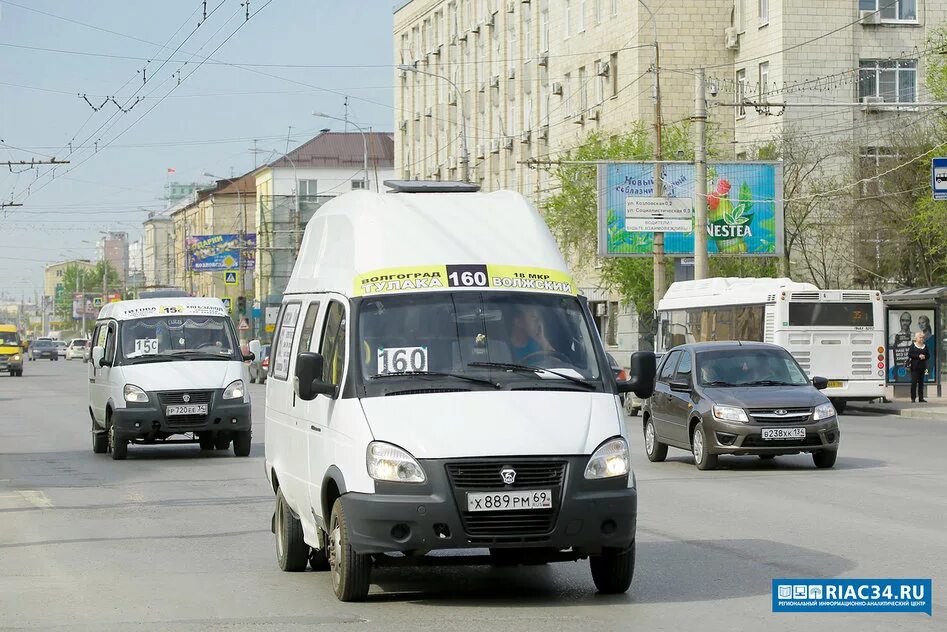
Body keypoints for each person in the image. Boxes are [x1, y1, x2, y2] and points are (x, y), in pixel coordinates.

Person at [907, 331, 930, 403]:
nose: (921, 339)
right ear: (916, 338)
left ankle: (921, 398)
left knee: (921, 383)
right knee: (914, 383)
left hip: (922, 367)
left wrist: (924, 356)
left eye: (922, 337)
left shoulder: (925, 346)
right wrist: (918, 356)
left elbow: (928, 355)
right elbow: (910, 354)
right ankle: (913, 398)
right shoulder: (913, 346)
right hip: (914, 367)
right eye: (920, 337)